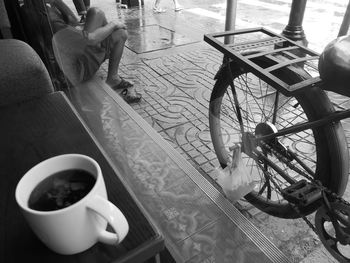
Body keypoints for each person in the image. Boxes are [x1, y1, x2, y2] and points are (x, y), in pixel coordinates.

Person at [47, 0, 141, 103]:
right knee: (120, 33)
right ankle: (112, 73)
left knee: (96, 13)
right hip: (73, 73)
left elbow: (72, 21)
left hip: (66, 61)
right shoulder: (49, 15)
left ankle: (113, 76)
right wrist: (112, 25)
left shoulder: (43, 6)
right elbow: (90, 39)